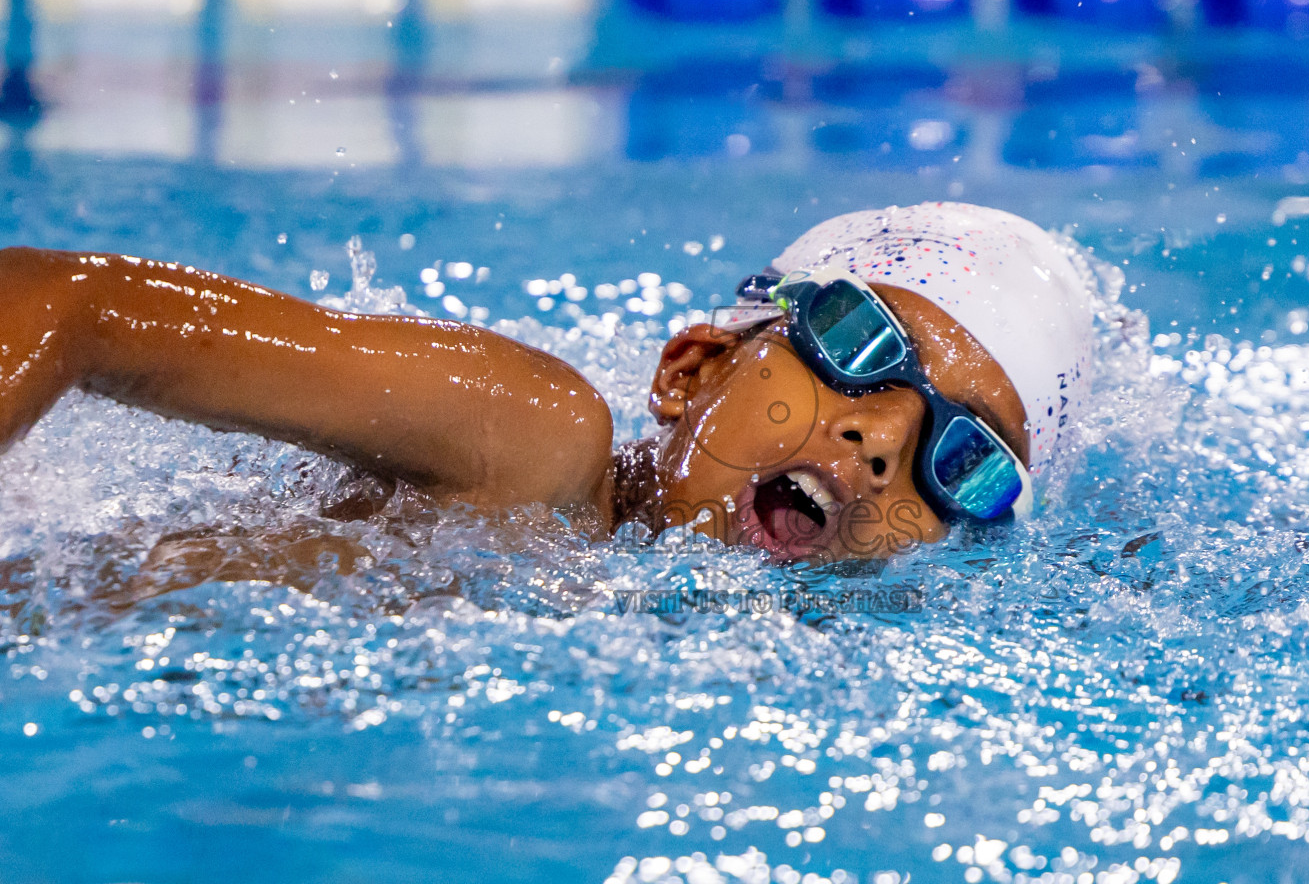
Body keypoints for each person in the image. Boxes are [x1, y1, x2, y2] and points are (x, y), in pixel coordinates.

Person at [0, 202, 1097, 567]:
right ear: (694, 369)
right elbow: (72, 305)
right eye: (859, 345)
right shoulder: (528, 441)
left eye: (963, 456)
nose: (881, 440)